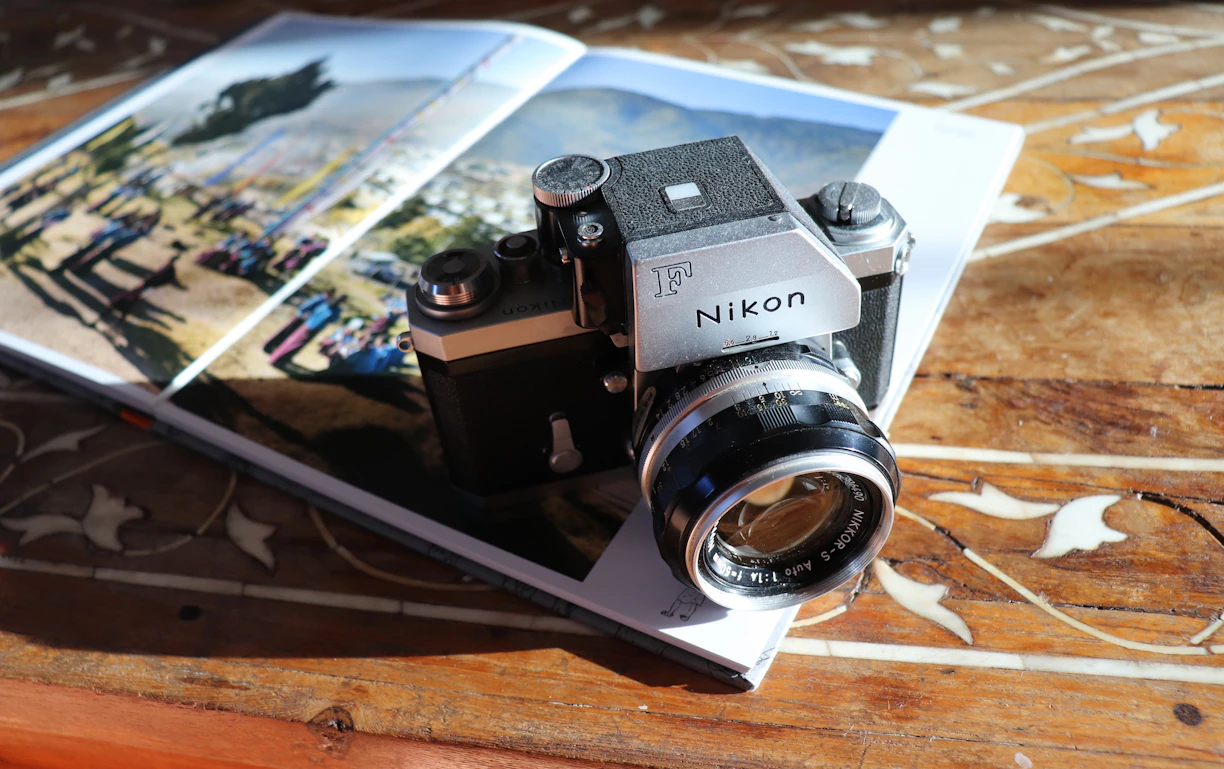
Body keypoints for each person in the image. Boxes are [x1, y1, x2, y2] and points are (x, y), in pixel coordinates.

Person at [267, 291, 345, 368]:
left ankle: (280, 360)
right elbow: (328, 317)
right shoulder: (330, 306)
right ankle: (277, 359)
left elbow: (326, 317)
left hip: (311, 327)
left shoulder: (331, 307)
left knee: (294, 344)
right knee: (293, 344)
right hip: (310, 327)